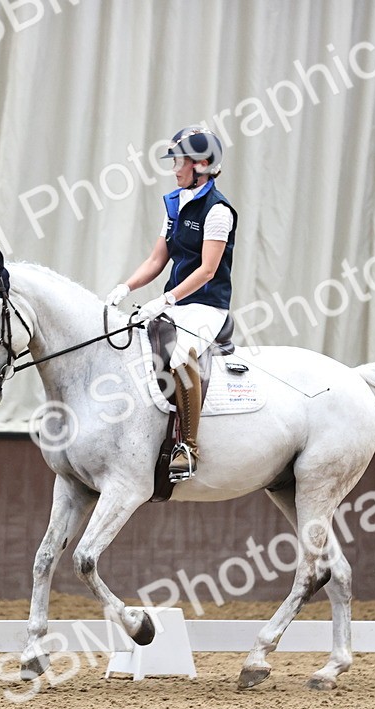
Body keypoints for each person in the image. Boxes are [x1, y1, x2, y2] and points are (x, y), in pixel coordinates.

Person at [105, 125, 237, 482]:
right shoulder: (175, 203)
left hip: (207, 305)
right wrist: (125, 287)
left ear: (202, 164)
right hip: (177, 303)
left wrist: (165, 299)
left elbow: (208, 270)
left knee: (180, 357)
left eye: (180, 161)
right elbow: (156, 259)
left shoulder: (218, 211)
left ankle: (188, 448)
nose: (175, 169)